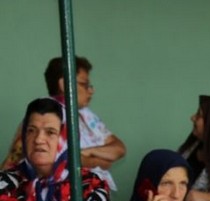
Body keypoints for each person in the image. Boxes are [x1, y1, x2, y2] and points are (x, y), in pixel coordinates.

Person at [3, 56, 127, 190]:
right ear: (64, 85)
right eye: (84, 84)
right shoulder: (45, 113)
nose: (91, 90)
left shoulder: (85, 114)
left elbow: (119, 149)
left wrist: (85, 152)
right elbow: (55, 161)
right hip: (56, 192)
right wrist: (97, 158)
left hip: (91, 189)